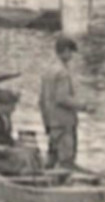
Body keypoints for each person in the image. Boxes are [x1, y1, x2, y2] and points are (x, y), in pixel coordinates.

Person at [39, 35, 91, 168]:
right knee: (66, 160)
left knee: (52, 158)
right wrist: (83, 106)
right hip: (64, 123)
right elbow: (62, 98)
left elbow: (41, 100)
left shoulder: (48, 70)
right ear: (65, 51)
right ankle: (63, 186)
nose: (72, 56)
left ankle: (47, 185)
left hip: (52, 122)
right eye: (71, 52)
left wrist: (47, 122)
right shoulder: (62, 72)